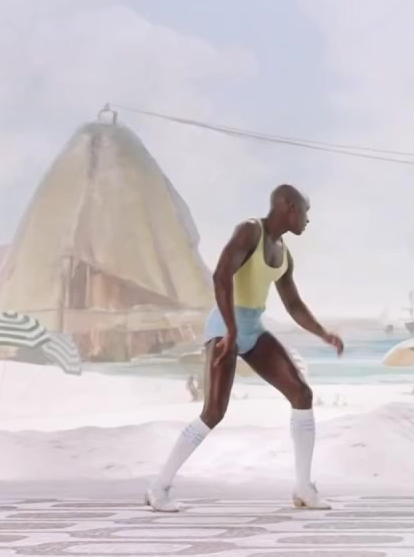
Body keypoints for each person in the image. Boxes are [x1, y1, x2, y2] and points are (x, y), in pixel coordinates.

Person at [144, 185, 345, 512]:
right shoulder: (250, 231)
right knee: (213, 412)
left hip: (251, 329)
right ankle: (158, 487)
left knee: (301, 394)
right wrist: (231, 330)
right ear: (289, 206)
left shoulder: (283, 253)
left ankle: (303, 488)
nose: (308, 219)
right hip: (224, 329)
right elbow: (221, 277)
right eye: (306, 211)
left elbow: (293, 304)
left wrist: (323, 333)